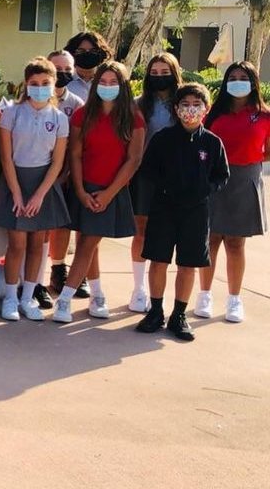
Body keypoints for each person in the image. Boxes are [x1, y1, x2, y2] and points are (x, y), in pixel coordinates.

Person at [52, 61, 145, 324]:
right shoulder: (83, 115)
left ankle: (65, 300)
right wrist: (81, 191)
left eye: (113, 82)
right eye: (102, 82)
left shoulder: (133, 118)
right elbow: (75, 154)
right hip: (85, 188)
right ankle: (97, 294)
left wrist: (109, 194)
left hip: (111, 191)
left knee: (88, 243)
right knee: (87, 244)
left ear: (123, 85)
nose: (107, 87)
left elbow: (134, 159)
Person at [136, 84, 228, 342]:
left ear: (205, 109)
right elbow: (148, 169)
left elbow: (222, 175)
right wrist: (166, 187)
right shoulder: (163, 138)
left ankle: (179, 314)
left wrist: (205, 189)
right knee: (159, 260)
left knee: (188, 264)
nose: (190, 110)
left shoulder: (212, 143)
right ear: (176, 109)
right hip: (164, 208)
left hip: (196, 212)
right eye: (185, 105)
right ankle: (155, 312)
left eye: (196, 105)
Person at [0, 57, 70, 322]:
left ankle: (28, 297)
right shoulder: (12, 113)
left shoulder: (59, 118)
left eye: (45, 83)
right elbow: (6, 157)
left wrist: (39, 195)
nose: (39, 87)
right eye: (34, 83)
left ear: (53, 84)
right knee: (17, 245)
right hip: (16, 181)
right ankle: (10, 298)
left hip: (43, 187)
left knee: (38, 244)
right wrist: (16, 192)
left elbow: (57, 161)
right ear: (26, 84)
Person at [196, 61, 270, 323]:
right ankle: (204, 294)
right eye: (233, 77)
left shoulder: (264, 116)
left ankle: (234, 299)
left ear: (253, 82)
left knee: (236, 243)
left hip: (245, 179)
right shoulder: (214, 114)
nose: (237, 81)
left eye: (243, 77)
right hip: (214, 179)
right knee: (210, 240)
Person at [51, 32, 113, 298]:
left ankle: (84, 274)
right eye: (80, 50)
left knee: (89, 226)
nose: (85, 55)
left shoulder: (108, 83)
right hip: (61, 162)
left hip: (93, 161)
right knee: (62, 223)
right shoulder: (64, 84)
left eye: (91, 50)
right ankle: (58, 269)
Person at [129, 53, 181, 313]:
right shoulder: (139, 104)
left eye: (165, 72)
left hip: (176, 177)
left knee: (166, 233)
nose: (159, 77)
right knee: (141, 231)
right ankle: (138, 289)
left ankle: (159, 292)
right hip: (144, 176)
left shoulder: (184, 102)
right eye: (154, 72)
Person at [41, 49, 86, 309]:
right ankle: (33, 279)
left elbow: (77, 145)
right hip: (36, 172)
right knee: (38, 229)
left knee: (62, 225)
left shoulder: (77, 104)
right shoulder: (32, 99)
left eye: (67, 69)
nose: (62, 74)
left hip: (66, 175)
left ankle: (58, 270)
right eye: (57, 68)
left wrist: (68, 173)